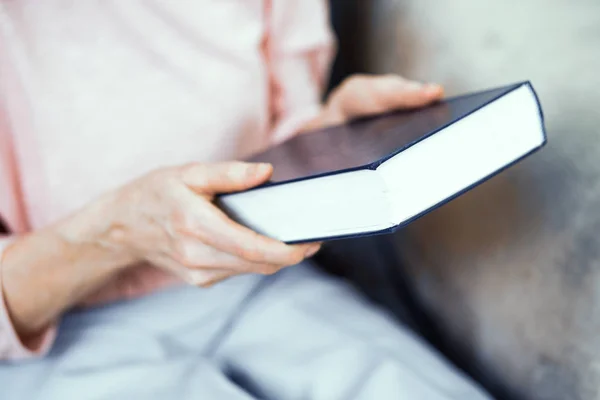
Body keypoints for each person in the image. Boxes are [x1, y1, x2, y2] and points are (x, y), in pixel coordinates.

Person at [0, 1, 492, 399]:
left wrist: (328, 141)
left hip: (257, 283)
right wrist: (119, 233)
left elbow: (276, 142)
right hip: (55, 334)